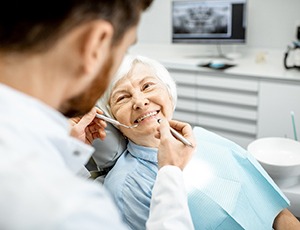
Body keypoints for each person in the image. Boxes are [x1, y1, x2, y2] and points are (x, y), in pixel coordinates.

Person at [0, 1, 196, 229]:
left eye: (148, 86)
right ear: (95, 44)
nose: (141, 101)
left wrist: (65, 152)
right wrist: (170, 173)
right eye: (124, 50)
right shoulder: (73, 209)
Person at [96, 55, 300, 230]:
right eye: (122, 97)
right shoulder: (126, 187)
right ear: (113, 120)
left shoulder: (205, 139)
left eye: (147, 86)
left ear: (168, 92)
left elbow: (276, 211)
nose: (140, 102)